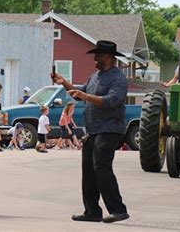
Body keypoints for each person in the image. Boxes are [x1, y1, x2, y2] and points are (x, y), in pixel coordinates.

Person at [51, 40, 129, 223]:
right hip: (93, 130)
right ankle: (92, 211)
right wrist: (64, 83)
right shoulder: (95, 76)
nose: (95, 57)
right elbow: (78, 93)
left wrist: (85, 96)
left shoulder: (118, 79)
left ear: (108, 57)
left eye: (98, 54)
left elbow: (111, 101)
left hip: (110, 129)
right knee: (88, 169)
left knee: (101, 166)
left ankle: (118, 210)